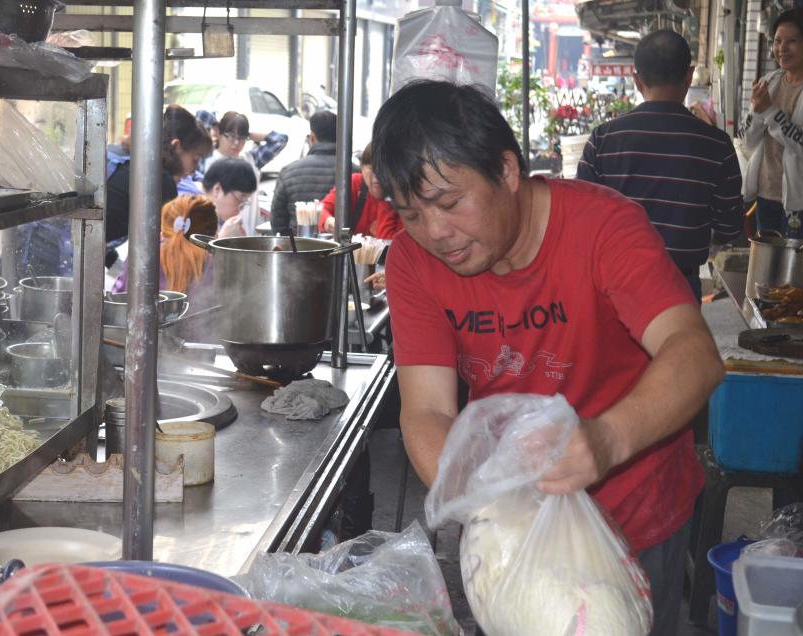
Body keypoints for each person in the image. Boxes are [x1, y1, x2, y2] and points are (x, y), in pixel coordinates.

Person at [371, 80, 725, 636]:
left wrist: (605, 439)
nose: (436, 233)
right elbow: (427, 411)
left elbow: (695, 354)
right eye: (412, 214)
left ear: (508, 171)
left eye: (449, 202)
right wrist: (489, 508)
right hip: (511, 532)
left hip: (637, 505)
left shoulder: (604, 227)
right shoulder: (412, 263)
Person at [577, 30, 744, 301]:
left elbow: (581, 216)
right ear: (689, 77)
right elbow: (729, 226)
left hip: (616, 283)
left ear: (636, 80)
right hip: (680, 285)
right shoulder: (717, 145)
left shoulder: (603, 139)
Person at [105, 105, 212, 267]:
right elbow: (172, 249)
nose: (192, 172)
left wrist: (117, 269)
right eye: (194, 160)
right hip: (65, 249)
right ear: (176, 147)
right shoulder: (160, 180)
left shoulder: (134, 161)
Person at [741, 8, 803, 238]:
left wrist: (768, 110)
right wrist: (758, 113)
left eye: (791, 41)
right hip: (765, 195)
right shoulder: (769, 82)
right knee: (766, 267)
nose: (782, 49)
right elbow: (748, 139)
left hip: (798, 201)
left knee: (794, 270)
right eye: (777, 41)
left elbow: (799, 146)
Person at [112, 195, 218, 303]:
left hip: (139, 318)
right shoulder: (218, 261)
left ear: (166, 225)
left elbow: (119, 295)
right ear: (213, 231)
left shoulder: (144, 251)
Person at [195, 111, 288, 234]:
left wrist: (248, 134)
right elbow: (201, 115)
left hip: (249, 234)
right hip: (215, 232)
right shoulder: (206, 160)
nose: (236, 143)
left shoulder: (250, 159)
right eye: (231, 136)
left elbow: (280, 140)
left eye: (241, 138)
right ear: (219, 133)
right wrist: (216, 125)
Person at [270, 111, 339, 234]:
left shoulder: (288, 172)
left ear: (312, 137)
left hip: (299, 249)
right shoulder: (354, 172)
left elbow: (278, 224)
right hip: (343, 249)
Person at [318, 142, 403, 239]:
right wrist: (328, 221)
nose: (377, 175)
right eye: (371, 168)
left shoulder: (402, 197)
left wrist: (386, 200)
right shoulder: (354, 183)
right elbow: (321, 210)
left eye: (383, 168)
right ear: (362, 168)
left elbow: (389, 242)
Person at [199, 157, 258, 239]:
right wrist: (223, 237)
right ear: (217, 189)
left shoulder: (214, 214)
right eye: (241, 197)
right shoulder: (190, 212)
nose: (241, 208)